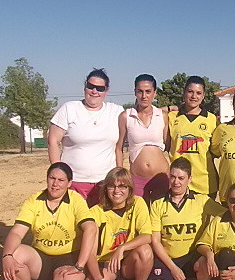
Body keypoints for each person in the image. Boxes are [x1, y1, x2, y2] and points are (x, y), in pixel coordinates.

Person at [1, 162, 96, 280]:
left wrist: (79, 265)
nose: (55, 184)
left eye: (61, 180)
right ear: (47, 179)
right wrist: (6, 256)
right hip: (41, 256)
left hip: (69, 257)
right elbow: (17, 232)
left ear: (69, 183)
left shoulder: (76, 200)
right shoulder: (34, 200)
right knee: (15, 254)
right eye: (52, 178)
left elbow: (91, 228)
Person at [147, 157, 224, 280]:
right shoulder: (158, 204)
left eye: (181, 178)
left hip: (192, 258)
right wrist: (173, 268)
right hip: (168, 258)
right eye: (173, 177)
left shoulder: (202, 200)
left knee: (209, 260)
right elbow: (155, 242)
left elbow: (226, 214)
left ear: (189, 179)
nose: (176, 182)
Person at [81, 167, 153, 280]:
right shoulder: (96, 212)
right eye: (112, 186)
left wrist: (122, 248)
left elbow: (147, 236)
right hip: (106, 265)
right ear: (106, 189)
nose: (116, 190)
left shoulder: (138, 203)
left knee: (145, 250)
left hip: (128, 263)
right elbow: (90, 253)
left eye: (122, 186)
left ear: (129, 188)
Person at [48, 69, 124, 206]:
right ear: (85, 87)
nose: (94, 91)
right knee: (75, 225)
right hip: (74, 182)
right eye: (91, 86)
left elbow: (142, 112)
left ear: (106, 90)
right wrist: (58, 176)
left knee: (102, 225)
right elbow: (53, 141)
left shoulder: (116, 111)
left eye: (100, 88)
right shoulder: (69, 109)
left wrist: (168, 108)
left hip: (107, 183)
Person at [116, 74, 171, 203]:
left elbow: (169, 146)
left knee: (160, 218)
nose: (144, 96)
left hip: (161, 178)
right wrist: (120, 174)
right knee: (140, 218)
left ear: (155, 92)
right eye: (140, 91)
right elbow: (119, 148)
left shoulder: (162, 116)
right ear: (135, 92)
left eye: (148, 91)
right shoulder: (126, 116)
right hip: (137, 179)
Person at [168, 75, 219, 198]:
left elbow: (216, 151)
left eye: (198, 93)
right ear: (184, 92)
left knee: (204, 217)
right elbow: (150, 112)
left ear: (203, 95)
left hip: (205, 183)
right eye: (190, 91)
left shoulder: (212, 119)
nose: (194, 96)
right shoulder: (171, 117)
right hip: (178, 182)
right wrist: (169, 107)